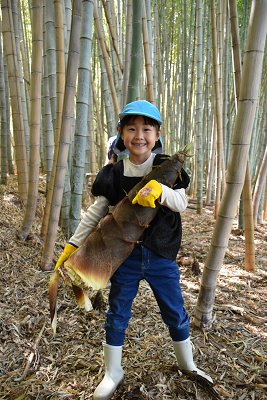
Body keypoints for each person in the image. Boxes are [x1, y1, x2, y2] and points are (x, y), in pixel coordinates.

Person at [55, 100, 213, 400]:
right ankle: (113, 371)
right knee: (117, 313)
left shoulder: (167, 168)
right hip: (122, 258)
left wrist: (160, 191)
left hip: (160, 256)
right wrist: (72, 245)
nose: (139, 135)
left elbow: (181, 204)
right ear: (121, 134)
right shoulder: (113, 174)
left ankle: (187, 363)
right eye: (131, 129)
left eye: (146, 129)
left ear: (157, 134)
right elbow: (95, 212)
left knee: (175, 311)